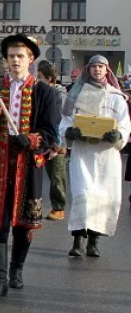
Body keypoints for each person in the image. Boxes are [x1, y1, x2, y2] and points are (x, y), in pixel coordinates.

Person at [0, 34, 58, 299]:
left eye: (20, 56)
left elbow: (50, 131)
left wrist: (31, 139)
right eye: (11, 56)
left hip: (27, 163)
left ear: (30, 59)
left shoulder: (43, 91)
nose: (14, 60)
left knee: (24, 221)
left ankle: (16, 270)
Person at [60, 55, 131, 257]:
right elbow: (65, 121)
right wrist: (69, 133)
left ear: (106, 70)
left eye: (101, 67)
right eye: (94, 67)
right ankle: (77, 240)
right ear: (88, 69)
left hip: (106, 156)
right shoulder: (76, 94)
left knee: (102, 198)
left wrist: (118, 135)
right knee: (83, 195)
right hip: (83, 153)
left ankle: (93, 241)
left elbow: (125, 124)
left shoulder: (116, 97)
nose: (97, 70)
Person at [36, 60, 68, 221]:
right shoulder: (41, 92)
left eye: (40, 77)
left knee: (56, 176)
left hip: (56, 141)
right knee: (38, 176)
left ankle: (59, 207)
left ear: (49, 78)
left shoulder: (57, 94)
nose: (37, 79)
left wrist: (56, 145)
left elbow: (58, 120)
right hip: (44, 139)